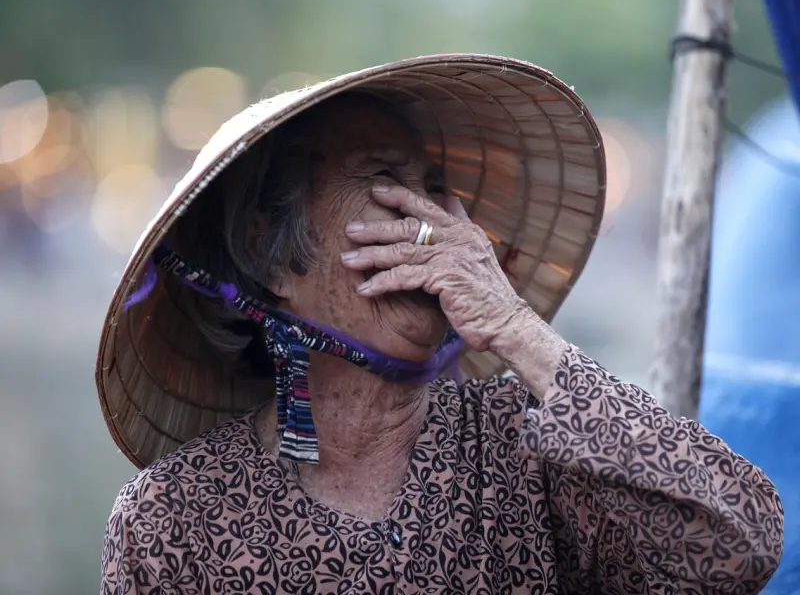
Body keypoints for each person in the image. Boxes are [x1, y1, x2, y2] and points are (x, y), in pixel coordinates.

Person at [98, 55, 783, 594]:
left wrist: (515, 326)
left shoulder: (527, 448)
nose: (436, 225)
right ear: (270, 250)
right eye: (386, 180)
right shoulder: (171, 522)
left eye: (434, 188)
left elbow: (740, 542)